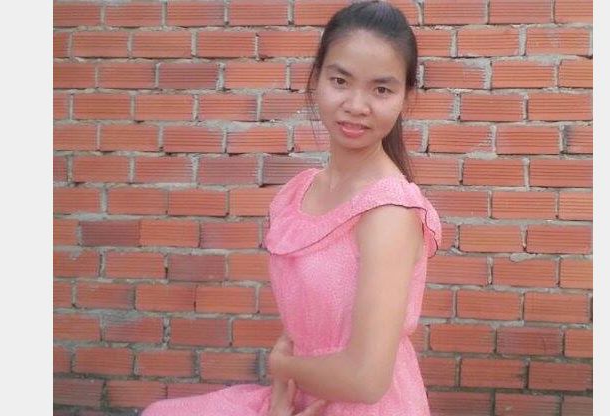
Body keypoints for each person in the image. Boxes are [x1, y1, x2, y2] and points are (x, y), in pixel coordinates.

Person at [142, 1, 442, 415]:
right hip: (298, 395)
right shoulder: (300, 192)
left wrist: (283, 368)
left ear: (407, 98)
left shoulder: (388, 212)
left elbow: (366, 379)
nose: (357, 104)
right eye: (341, 81)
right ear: (316, 79)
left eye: (381, 89)